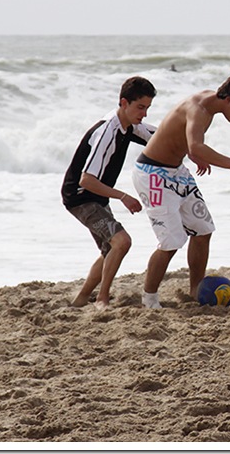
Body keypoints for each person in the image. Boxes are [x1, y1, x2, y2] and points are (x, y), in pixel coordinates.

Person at [132, 73, 230, 309]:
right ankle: (149, 298)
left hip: (176, 171)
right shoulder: (200, 108)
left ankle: (195, 290)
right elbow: (196, 142)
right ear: (229, 99)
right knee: (170, 241)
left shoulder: (210, 103)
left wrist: (192, 153)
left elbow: (187, 134)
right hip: (152, 174)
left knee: (203, 230)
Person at [61, 76, 157, 310]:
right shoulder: (107, 132)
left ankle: (82, 299)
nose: (144, 114)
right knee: (121, 242)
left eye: (147, 108)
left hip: (96, 196)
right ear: (124, 103)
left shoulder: (130, 125)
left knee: (109, 249)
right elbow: (87, 180)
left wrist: (192, 143)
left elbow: (161, 135)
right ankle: (102, 299)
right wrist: (123, 196)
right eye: (140, 107)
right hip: (81, 196)